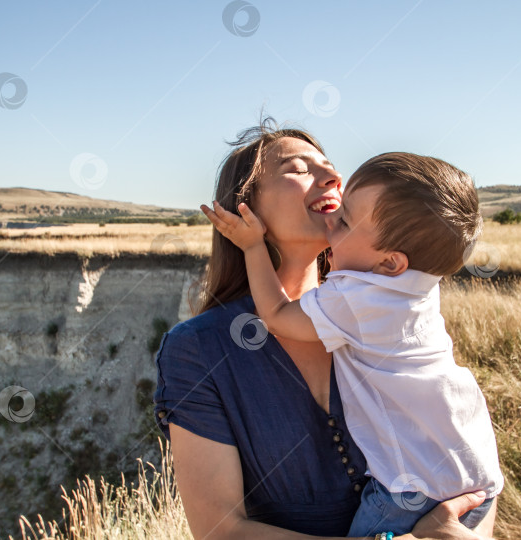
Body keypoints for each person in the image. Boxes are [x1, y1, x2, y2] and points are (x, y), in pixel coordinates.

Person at [154, 118, 497, 539]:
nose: (334, 177)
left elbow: (467, 481)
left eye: (329, 165)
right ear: (247, 209)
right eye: (298, 169)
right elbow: (221, 531)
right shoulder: (199, 350)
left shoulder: (383, 315)